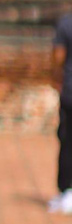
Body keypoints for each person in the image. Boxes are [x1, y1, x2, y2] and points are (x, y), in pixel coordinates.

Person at [49, 13, 72, 213]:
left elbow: (58, 57)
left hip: (70, 93)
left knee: (67, 141)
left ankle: (67, 190)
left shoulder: (66, 23)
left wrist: (57, 80)